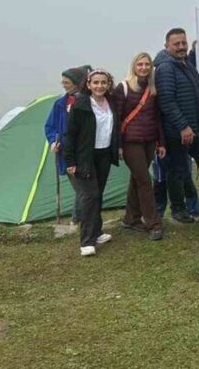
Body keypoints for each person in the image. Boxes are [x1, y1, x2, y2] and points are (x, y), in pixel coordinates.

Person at [155, 28, 199, 224]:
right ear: (167, 46)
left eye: (184, 43)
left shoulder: (184, 63)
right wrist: (183, 126)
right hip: (178, 131)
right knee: (178, 171)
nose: (181, 47)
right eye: (176, 44)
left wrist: (198, 48)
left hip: (197, 126)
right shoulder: (165, 68)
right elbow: (167, 101)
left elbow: (192, 60)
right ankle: (178, 210)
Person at [62, 69, 120, 257]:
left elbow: (115, 128)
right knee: (89, 196)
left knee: (98, 194)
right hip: (85, 156)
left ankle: (97, 232)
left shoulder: (111, 102)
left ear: (108, 84)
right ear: (88, 85)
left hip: (104, 154)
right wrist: (70, 160)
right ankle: (87, 241)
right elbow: (70, 134)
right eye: (95, 82)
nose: (99, 86)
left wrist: (117, 148)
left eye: (103, 82)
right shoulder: (80, 104)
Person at [113, 53, 165, 241]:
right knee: (145, 181)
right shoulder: (124, 88)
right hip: (130, 142)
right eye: (140, 64)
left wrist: (161, 142)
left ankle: (131, 218)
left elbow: (157, 118)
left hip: (149, 141)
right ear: (134, 66)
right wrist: (118, 146)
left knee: (137, 179)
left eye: (147, 64)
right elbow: (116, 119)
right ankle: (154, 224)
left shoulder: (153, 88)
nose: (144, 67)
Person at [43, 65, 89, 223]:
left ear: (76, 82)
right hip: (67, 153)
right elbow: (50, 126)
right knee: (81, 188)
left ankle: (77, 220)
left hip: (84, 151)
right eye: (62, 82)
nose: (63, 85)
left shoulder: (87, 100)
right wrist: (52, 142)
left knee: (83, 188)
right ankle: (77, 220)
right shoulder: (60, 104)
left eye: (66, 82)